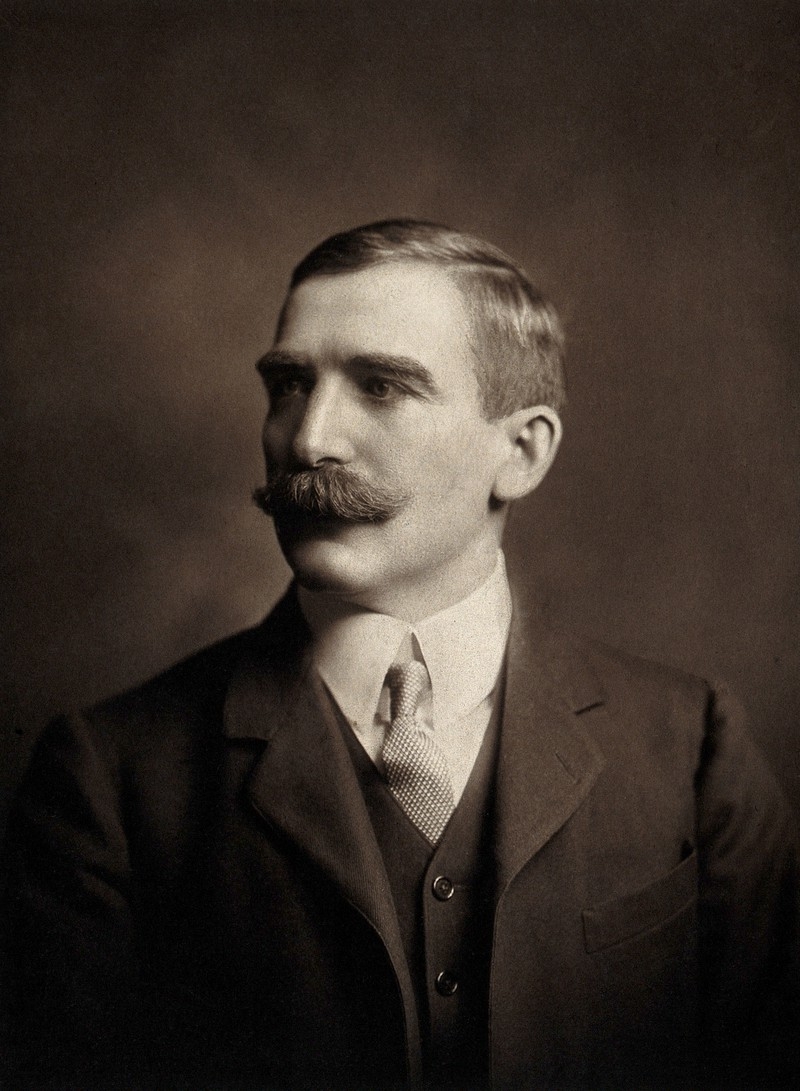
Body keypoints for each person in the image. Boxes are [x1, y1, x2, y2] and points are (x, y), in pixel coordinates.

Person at [3, 220, 798, 1091]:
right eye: (288, 386)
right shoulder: (109, 776)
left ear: (522, 452)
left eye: (381, 387)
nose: (308, 441)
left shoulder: (692, 747)